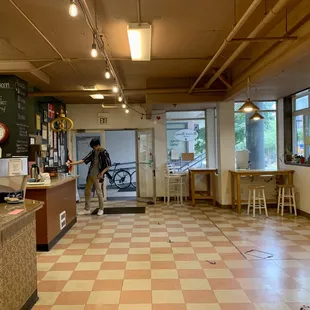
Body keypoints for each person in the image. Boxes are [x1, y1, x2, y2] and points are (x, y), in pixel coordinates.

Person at [69, 138, 111, 216]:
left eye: (94, 147)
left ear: (98, 145)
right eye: (92, 147)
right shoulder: (92, 152)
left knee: (99, 192)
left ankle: (101, 209)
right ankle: (87, 209)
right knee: (87, 191)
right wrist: (73, 163)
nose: (93, 148)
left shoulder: (104, 152)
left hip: (98, 175)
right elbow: (84, 159)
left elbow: (108, 165)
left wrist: (102, 173)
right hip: (90, 174)